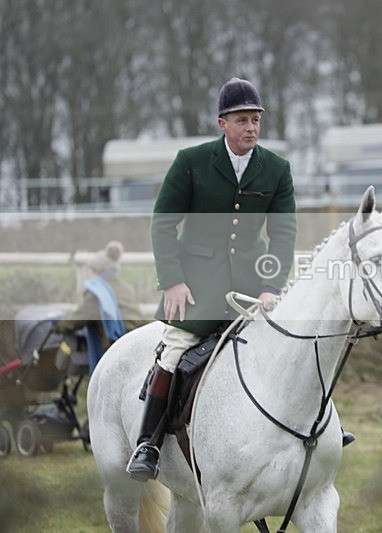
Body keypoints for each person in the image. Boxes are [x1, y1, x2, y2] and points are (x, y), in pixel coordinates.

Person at [126, 77, 299, 481]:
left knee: (293, 348)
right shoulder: (191, 161)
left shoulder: (277, 169)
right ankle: (148, 444)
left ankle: (315, 431)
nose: (251, 128)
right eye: (242, 120)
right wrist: (172, 280)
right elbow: (163, 222)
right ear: (222, 123)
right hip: (196, 288)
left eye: (256, 120)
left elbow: (284, 233)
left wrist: (272, 286)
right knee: (174, 351)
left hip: (253, 288)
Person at [54, 241, 148, 374]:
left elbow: (73, 322)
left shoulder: (97, 292)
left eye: (90, 270)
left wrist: (57, 327)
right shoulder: (126, 288)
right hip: (139, 338)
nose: (87, 274)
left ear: (97, 271)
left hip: (116, 347)